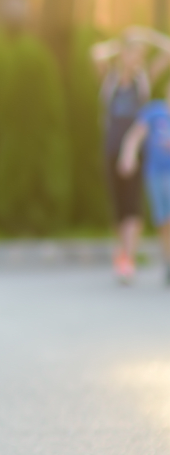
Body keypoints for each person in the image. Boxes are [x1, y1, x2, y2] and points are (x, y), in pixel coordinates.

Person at [91, 27, 170, 282]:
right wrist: (122, 44)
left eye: (138, 54)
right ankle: (122, 253)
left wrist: (145, 36)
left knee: (133, 205)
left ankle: (129, 257)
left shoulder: (143, 79)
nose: (134, 58)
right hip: (111, 150)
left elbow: (167, 50)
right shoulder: (110, 81)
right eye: (131, 53)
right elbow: (95, 54)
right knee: (118, 208)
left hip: (136, 153)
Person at [119, 78, 170, 285]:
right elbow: (135, 135)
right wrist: (128, 155)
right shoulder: (155, 111)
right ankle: (168, 263)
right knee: (164, 220)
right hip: (156, 175)